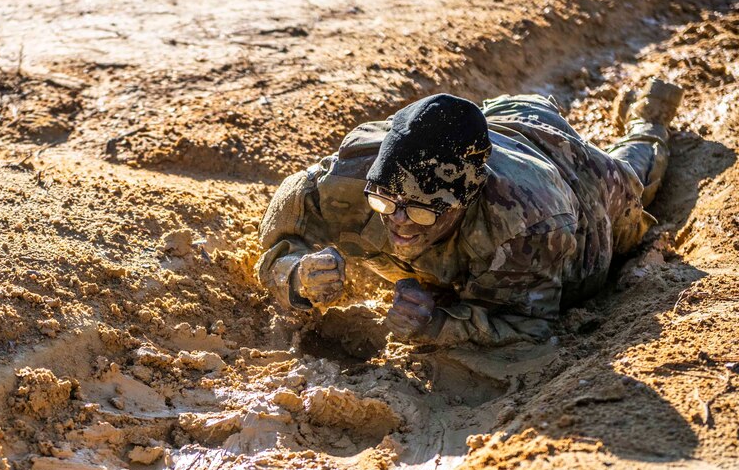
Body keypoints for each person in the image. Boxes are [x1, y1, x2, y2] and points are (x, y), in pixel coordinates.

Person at [256, 79, 684, 346]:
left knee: (632, 180)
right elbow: (278, 240)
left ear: (464, 202)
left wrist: (437, 325)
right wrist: (296, 273)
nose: (397, 222)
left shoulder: (529, 225)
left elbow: (527, 327)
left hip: (570, 176)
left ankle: (649, 121)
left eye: (422, 212)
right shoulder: (346, 179)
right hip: (484, 121)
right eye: (384, 202)